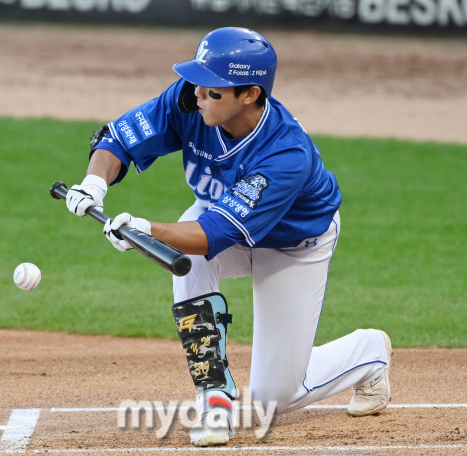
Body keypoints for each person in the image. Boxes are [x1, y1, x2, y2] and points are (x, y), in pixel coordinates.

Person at [64, 27, 392, 447]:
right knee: (189, 255)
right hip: (219, 219)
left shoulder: (285, 154)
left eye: (213, 89)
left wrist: (146, 230)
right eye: (199, 81)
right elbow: (120, 138)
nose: (198, 93)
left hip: (295, 245)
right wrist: (95, 182)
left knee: (278, 396)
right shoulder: (190, 98)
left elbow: (215, 233)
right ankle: (213, 397)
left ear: (250, 94)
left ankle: (368, 354)